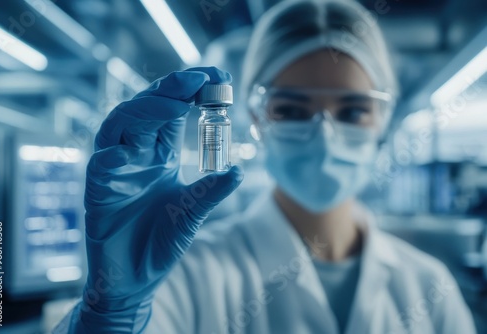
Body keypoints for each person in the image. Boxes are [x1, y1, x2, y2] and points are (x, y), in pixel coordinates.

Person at [54, 0, 477, 333]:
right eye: (292, 109)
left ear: (383, 119)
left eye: (351, 111)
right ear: (255, 118)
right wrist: (111, 311)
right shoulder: (187, 272)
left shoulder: (430, 286)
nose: (324, 136)